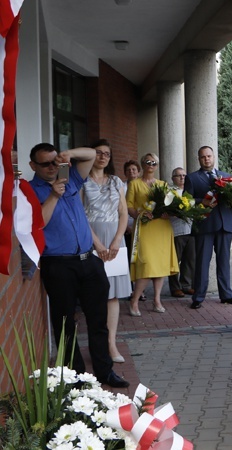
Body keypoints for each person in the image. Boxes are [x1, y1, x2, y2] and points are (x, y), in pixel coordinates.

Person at [29, 143, 129, 388]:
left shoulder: (71, 177)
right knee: (65, 324)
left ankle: (105, 372)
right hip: (59, 266)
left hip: (88, 261)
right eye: (46, 163)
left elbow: (91, 154)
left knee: (98, 322)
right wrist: (54, 194)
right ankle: (77, 378)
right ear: (33, 166)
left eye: (55, 161)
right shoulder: (30, 190)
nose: (53, 167)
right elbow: (38, 224)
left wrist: (69, 155)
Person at [82, 139, 132, 363]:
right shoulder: (82, 181)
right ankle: (97, 345)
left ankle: (111, 344)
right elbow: (81, 216)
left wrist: (117, 240)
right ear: (91, 155)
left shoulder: (117, 182)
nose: (103, 157)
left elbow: (123, 213)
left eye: (107, 154)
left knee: (113, 296)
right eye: (98, 153)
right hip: (92, 240)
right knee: (95, 295)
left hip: (115, 241)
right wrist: (97, 244)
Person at [184, 146, 232, 309]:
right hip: (205, 225)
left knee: (224, 261)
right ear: (199, 159)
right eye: (203, 157)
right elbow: (186, 201)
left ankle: (227, 295)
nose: (206, 159)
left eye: (209, 156)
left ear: (214, 157)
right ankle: (198, 297)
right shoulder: (192, 178)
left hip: (225, 224)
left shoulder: (226, 176)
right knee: (202, 262)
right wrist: (200, 201)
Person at [126, 153, 178, 316]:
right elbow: (128, 205)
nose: (151, 164)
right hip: (144, 228)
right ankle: (134, 301)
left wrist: (168, 213)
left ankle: (157, 300)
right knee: (147, 263)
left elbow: (170, 205)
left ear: (157, 165)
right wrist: (140, 214)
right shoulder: (134, 184)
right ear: (143, 164)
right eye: (148, 162)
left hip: (161, 228)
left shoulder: (162, 184)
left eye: (154, 162)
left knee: (160, 265)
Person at [168, 167, 196, 297]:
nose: (182, 178)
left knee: (189, 260)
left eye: (184, 175)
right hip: (176, 231)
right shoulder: (170, 192)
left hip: (191, 230)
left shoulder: (190, 191)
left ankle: (186, 285)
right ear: (173, 178)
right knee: (174, 261)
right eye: (178, 176)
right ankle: (175, 288)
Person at [123, 160, 145, 302]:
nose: (131, 172)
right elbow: (118, 209)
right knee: (127, 260)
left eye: (134, 170)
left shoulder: (143, 186)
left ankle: (140, 291)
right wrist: (126, 227)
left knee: (139, 259)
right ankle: (129, 290)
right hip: (126, 229)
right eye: (128, 170)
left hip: (142, 228)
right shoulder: (121, 187)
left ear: (138, 171)